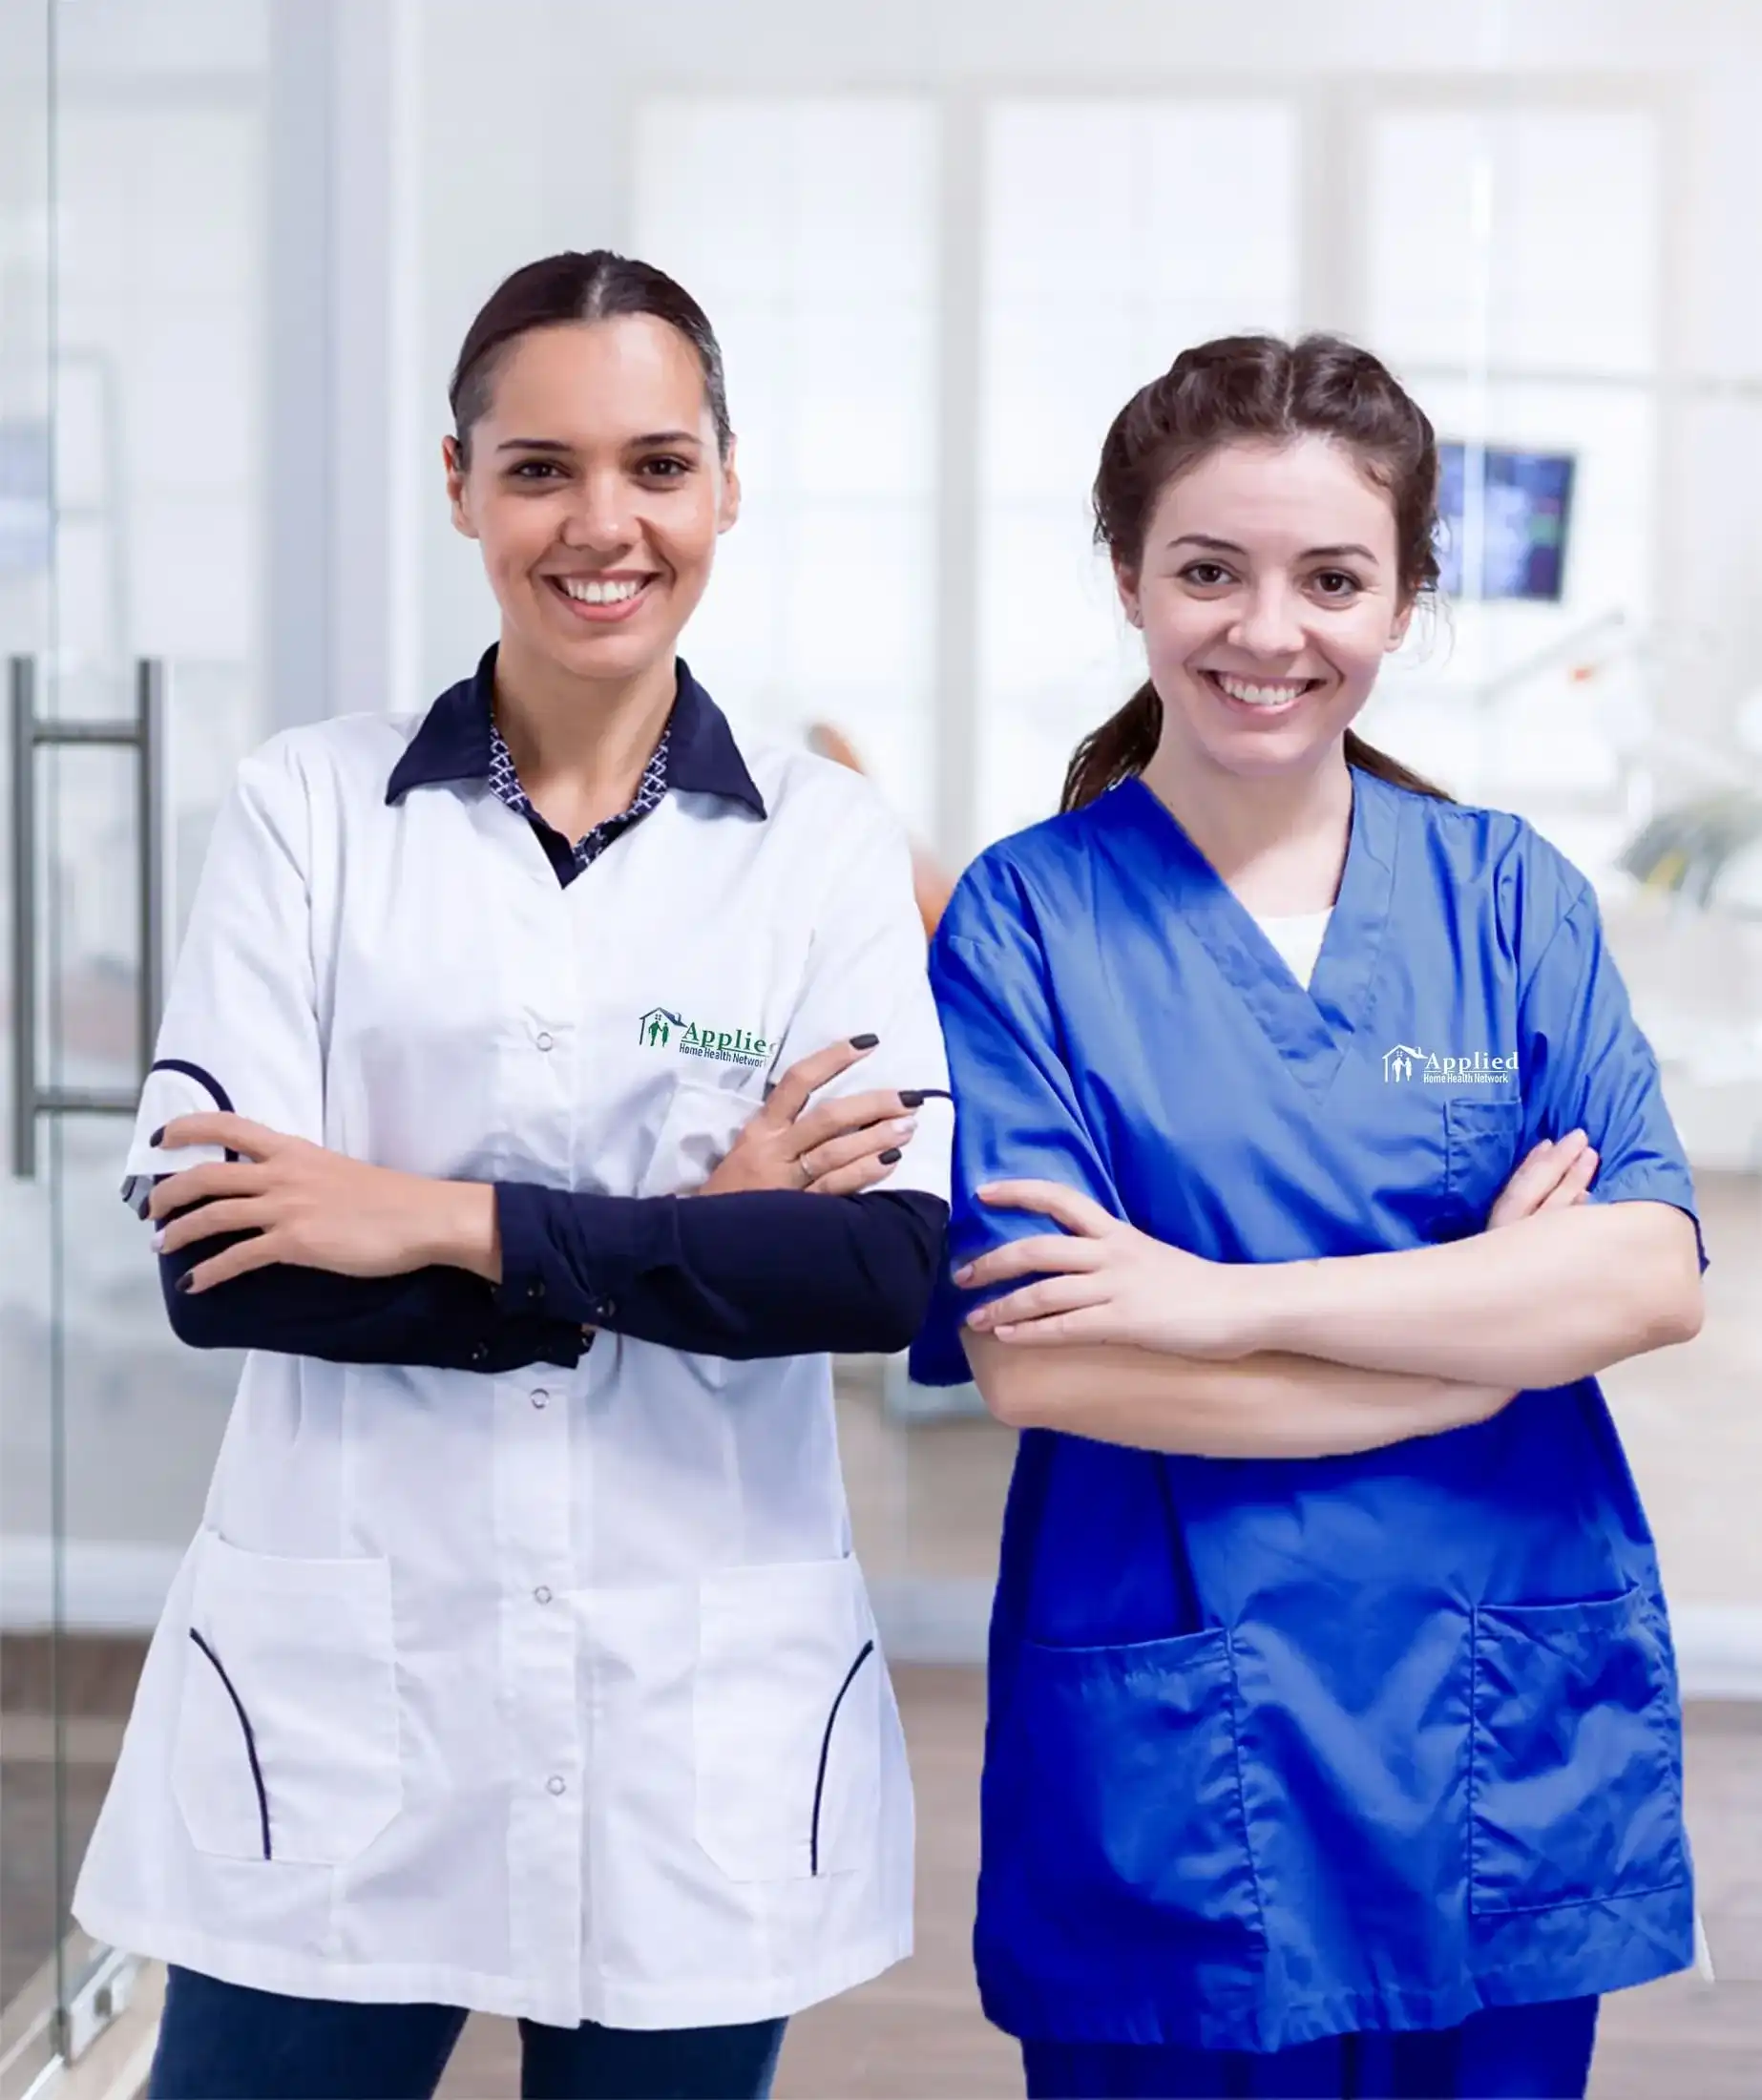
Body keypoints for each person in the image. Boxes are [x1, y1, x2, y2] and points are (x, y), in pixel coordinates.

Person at [74, 249, 954, 2100]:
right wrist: (679, 1243)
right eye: (539, 467)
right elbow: (224, 1264)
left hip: (687, 1706)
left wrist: (430, 1212)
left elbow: (869, 1273)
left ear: (725, 479)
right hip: (340, 1691)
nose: (600, 522)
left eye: (654, 462)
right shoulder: (306, 810)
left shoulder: (819, 844)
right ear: (459, 483)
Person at [910, 334, 1706, 2100]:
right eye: (1208, 570)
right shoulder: (1027, 923)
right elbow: (1043, 1365)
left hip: (1495, 1722)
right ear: (1127, 579)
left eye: (1331, 578)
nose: (1267, 632)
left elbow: (1647, 1274)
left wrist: (1197, 1304)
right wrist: (1484, 1334)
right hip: (1183, 1750)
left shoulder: (1507, 893)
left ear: (1405, 599)